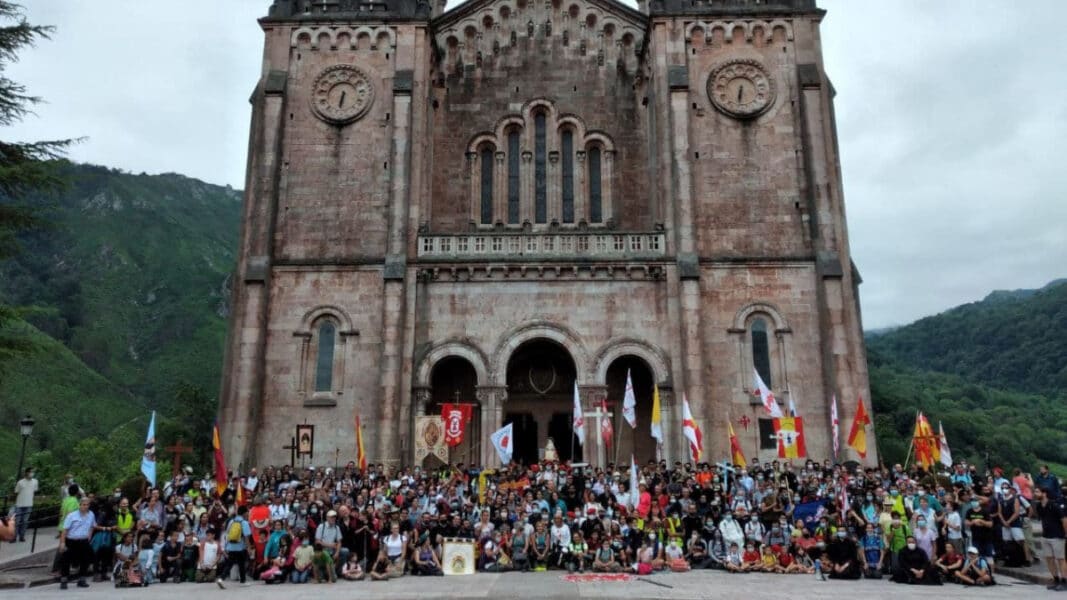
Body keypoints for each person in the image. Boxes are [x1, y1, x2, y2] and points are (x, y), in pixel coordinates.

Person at [1031, 486, 1067, 591]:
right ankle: (1056, 579)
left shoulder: (1054, 505)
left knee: (1061, 559)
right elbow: (1042, 519)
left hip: (1057, 535)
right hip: (1045, 535)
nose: (1035, 494)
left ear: (1044, 493)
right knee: (1049, 559)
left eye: (1037, 491)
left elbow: (1064, 519)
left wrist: (1065, 533)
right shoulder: (1038, 506)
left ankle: (1065, 581)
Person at [58, 496, 96, 590]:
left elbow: (92, 526)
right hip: (71, 541)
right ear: (79, 505)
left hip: (83, 540)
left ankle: (81, 579)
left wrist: (89, 536)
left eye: (87, 505)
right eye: (83, 505)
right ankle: (64, 580)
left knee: (85, 560)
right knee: (66, 560)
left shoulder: (91, 514)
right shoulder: (72, 515)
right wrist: (62, 543)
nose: (85, 506)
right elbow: (65, 530)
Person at [216, 504, 252, 588]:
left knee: (230, 563)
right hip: (240, 547)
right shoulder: (244, 522)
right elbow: (246, 537)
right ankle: (242, 581)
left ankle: (221, 579)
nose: (248, 514)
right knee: (241, 563)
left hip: (231, 546)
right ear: (244, 513)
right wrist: (249, 548)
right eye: (247, 512)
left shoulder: (231, 521)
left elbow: (227, 533)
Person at [13, 467, 38, 542]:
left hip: (29, 504)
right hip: (19, 505)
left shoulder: (35, 481)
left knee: (25, 521)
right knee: (17, 521)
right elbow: (16, 492)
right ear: (26, 473)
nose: (32, 473)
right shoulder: (20, 482)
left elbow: (35, 491)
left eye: (33, 472)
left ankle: (22, 536)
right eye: (30, 472)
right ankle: (14, 537)